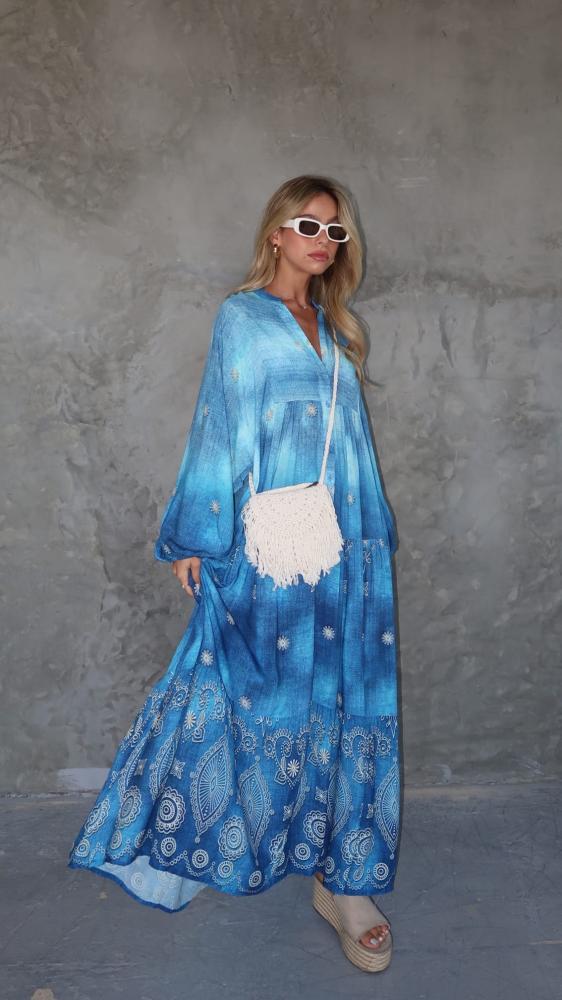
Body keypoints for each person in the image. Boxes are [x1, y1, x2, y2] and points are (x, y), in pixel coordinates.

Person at [67, 174, 401, 974]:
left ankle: (346, 882)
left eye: (335, 232)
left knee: (349, 703)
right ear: (276, 233)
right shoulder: (242, 319)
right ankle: (197, 836)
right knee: (247, 695)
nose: (323, 241)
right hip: (274, 553)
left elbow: (351, 446)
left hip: (347, 552)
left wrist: (373, 539)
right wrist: (197, 535)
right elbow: (219, 425)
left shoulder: (335, 328)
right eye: (308, 225)